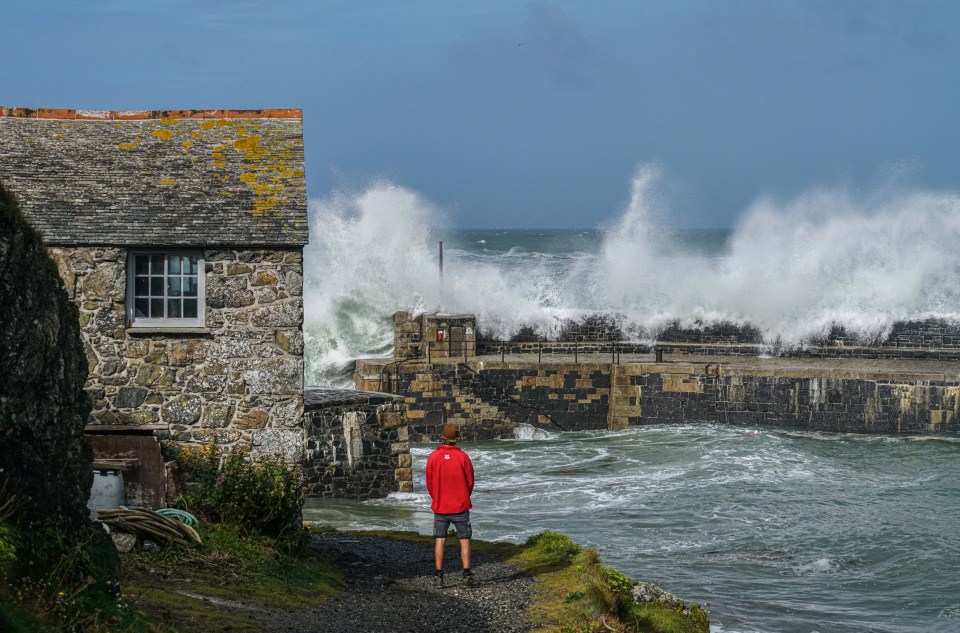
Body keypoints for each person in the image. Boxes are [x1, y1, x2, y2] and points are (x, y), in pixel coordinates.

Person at [425, 422, 475, 588]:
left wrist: (437, 497)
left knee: (440, 540)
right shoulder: (463, 457)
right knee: (464, 540)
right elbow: (470, 482)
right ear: (457, 439)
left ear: (443, 437)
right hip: (460, 505)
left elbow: (429, 482)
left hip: (441, 506)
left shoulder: (433, 456)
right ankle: (466, 575)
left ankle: (439, 576)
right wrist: (463, 496)